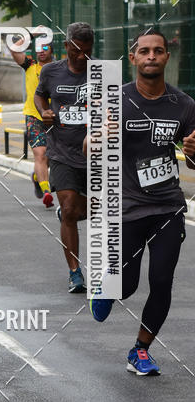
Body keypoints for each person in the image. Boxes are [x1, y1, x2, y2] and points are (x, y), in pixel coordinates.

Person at [88, 29, 195, 375]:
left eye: (158, 51)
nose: (151, 56)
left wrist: (192, 154)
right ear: (133, 58)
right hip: (127, 207)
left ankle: (140, 350)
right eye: (144, 51)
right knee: (127, 285)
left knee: (162, 280)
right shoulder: (115, 99)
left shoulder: (184, 105)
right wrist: (101, 136)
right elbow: (89, 147)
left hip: (168, 207)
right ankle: (106, 284)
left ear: (166, 57)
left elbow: (193, 159)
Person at [34, 22, 94, 292]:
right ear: (67, 46)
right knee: (70, 209)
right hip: (61, 152)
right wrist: (45, 111)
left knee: (93, 211)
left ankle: (68, 214)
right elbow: (39, 97)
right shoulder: (51, 71)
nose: (82, 57)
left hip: (96, 154)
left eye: (87, 52)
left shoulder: (101, 73)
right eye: (77, 51)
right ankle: (75, 272)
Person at [9, 30, 55, 208]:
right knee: (40, 154)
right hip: (33, 116)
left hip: (53, 117)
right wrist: (34, 33)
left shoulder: (58, 69)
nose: (41, 51)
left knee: (50, 156)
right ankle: (46, 192)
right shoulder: (30, 65)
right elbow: (14, 49)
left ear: (51, 50)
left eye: (45, 47)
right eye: (38, 48)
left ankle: (37, 177)